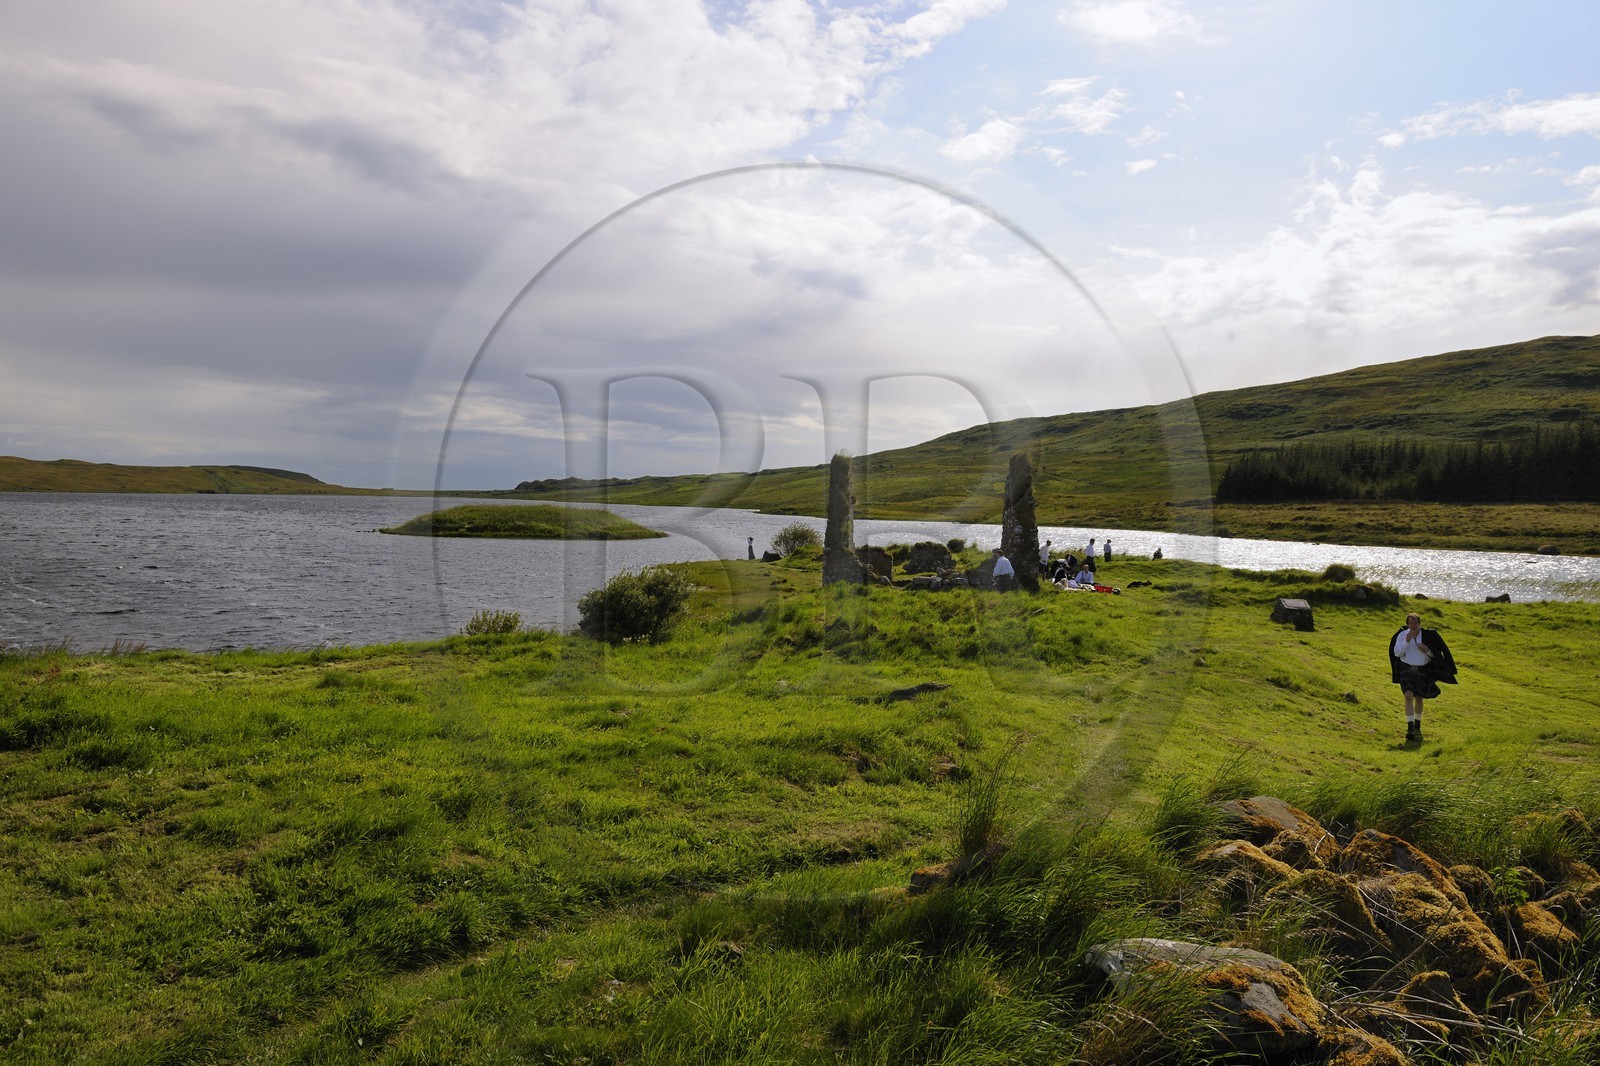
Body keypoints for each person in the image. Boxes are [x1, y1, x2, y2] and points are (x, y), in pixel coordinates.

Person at [1387, 612, 1457, 742]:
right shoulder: (1402, 635)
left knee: (1419, 698)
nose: (1413, 625)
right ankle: (1410, 727)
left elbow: (1434, 656)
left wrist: (1427, 651)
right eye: (1410, 623)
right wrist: (1407, 641)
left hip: (1423, 670)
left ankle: (1417, 723)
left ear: (1419, 623)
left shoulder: (1427, 636)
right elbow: (1397, 653)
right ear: (1407, 624)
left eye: (1415, 623)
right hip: (1406, 670)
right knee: (1408, 696)